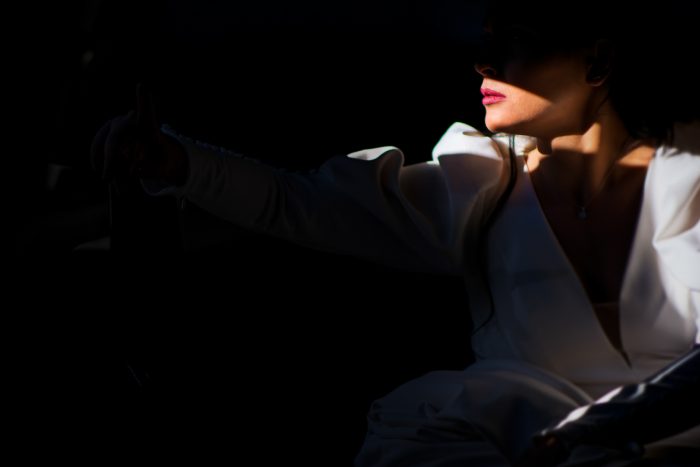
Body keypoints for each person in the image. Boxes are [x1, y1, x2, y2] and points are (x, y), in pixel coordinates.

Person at [91, 1, 700, 465]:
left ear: (597, 62)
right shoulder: (484, 183)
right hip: (517, 446)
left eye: (514, 44)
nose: (483, 64)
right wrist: (180, 164)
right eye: (486, 44)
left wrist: (607, 432)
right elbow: (303, 203)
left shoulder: (688, 179)